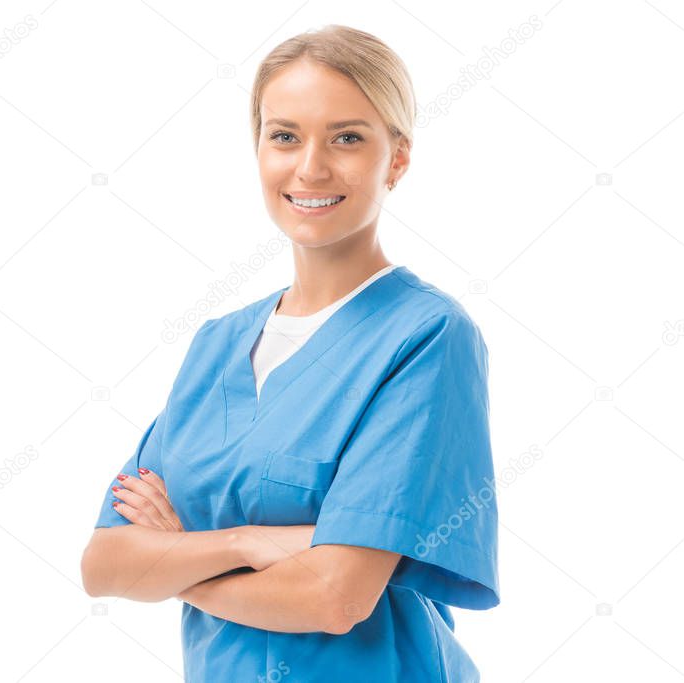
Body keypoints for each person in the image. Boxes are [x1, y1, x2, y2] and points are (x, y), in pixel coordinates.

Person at [80, 24, 499, 682]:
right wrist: (249, 543)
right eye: (284, 135)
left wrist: (175, 567)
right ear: (258, 150)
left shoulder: (425, 336)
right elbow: (103, 563)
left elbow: (335, 596)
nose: (310, 166)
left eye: (347, 137)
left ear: (396, 158)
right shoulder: (216, 344)